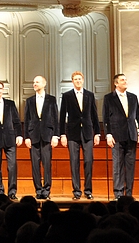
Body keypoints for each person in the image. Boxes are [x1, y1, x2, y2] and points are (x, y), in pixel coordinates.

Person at [58, 71, 100, 200]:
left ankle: (88, 190)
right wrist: (62, 134)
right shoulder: (67, 96)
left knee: (88, 161)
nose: (78, 81)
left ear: (83, 80)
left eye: (80, 79)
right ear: (72, 81)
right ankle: (76, 191)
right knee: (74, 162)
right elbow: (62, 116)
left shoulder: (90, 95)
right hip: (72, 133)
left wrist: (97, 133)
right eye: (75, 79)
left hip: (87, 132)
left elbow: (94, 115)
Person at [103, 73, 139, 198]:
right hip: (117, 135)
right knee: (118, 165)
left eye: (126, 80)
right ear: (116, 83)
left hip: (131, 135)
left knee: (130, 165)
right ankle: (118, 193)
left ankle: (129, 193)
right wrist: (108, 134)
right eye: (122, 80)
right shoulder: (109, 98)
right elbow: (106, 118)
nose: (125, 82)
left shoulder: (133, 97)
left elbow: (138, 116)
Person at [23, 75, 58, 199]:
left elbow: (55, 118)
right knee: (35, 165)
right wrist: (26, 136)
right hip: (33, 136)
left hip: (47, 135)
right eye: (34, 82)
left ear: (44, 84)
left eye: (37, 82)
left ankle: (47, 190)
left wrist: (56, 136)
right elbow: (26, 119)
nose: (34, 84)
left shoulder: (51, 99)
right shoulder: (29, 100)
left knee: (47, 164)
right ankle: (38, 190)